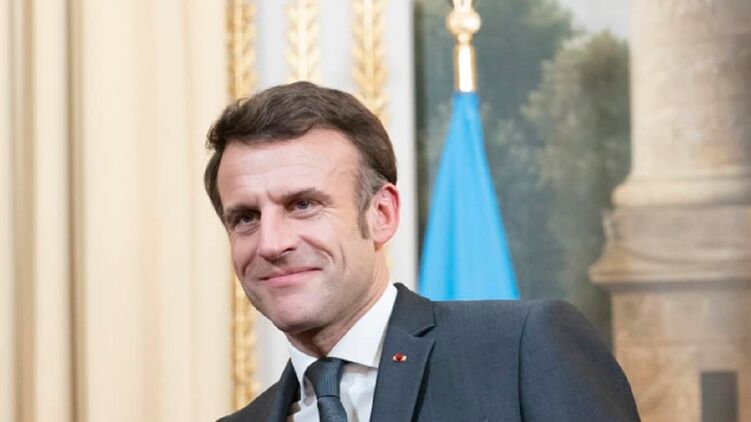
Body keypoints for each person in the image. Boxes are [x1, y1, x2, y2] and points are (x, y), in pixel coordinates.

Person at [205, 81, 640, 421]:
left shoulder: (521, 350)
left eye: (303, 205)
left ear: (382, 213)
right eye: (245, 217)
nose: (271, 243)